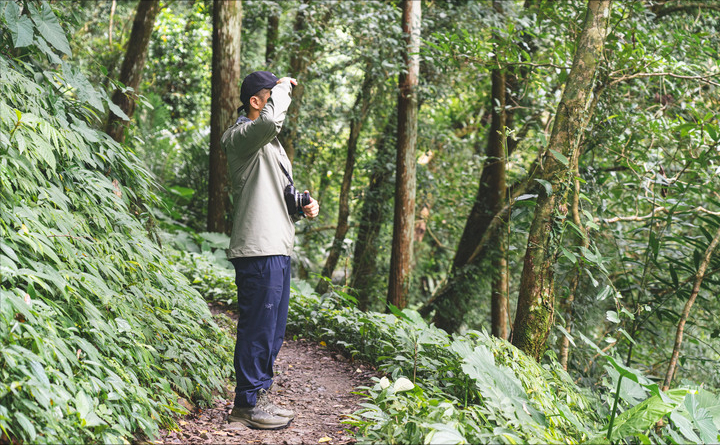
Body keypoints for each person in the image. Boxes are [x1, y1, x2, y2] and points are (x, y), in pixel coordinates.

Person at [221, 71, 319, 430]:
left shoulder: (272, 148)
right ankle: (245, 405)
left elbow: (278, 194)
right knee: (257, 328)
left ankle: (260, 395)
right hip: (256, 249)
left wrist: (305, 205)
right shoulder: (240, 136)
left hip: (278, 246)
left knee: (273, 332)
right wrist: (283, 89)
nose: (278, 100)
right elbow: (271, 123)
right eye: (271, 94)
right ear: (255, 102)